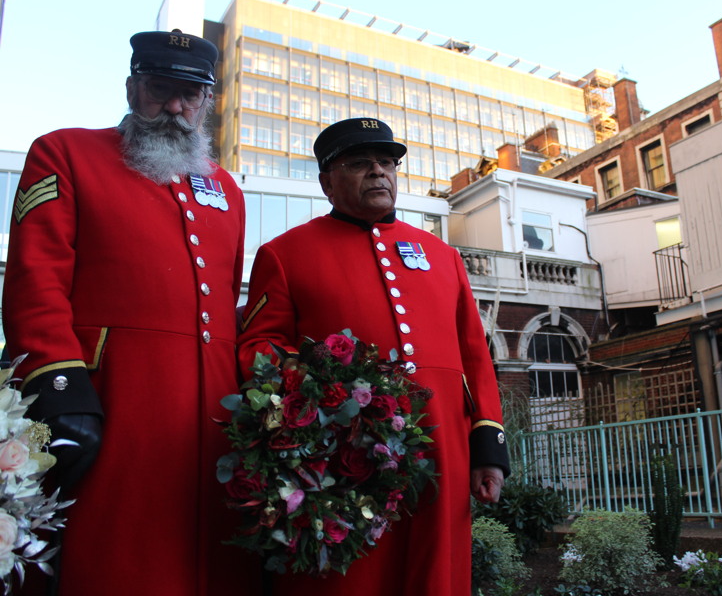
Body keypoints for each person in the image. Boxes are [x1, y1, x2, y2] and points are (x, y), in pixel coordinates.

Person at [2, 30, 261, 595]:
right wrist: (59, 385)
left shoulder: (228, 191)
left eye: (189, 96)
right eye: (159, 89)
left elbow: (224, 305)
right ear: (130, 87)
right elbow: (35, 281)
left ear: (206, 103)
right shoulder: (64, 152)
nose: (174, 107)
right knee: (114, 559)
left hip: (214, 421)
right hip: (113, 404)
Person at [237, 117, 510, 595]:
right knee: (354, 578)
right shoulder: (284, 253)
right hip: (343, 451)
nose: (378, 173)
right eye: (360, 164)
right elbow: (258, 349)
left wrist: (488, 446)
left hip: (444, 444)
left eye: (387, 163)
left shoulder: (442, 255)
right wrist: (324, 390)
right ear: (327, 180)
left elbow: (475, 356)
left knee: (436, 574)